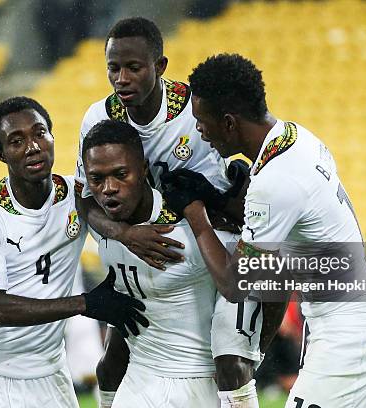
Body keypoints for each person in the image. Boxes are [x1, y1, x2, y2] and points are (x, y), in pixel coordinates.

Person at [161, 54, 366, 408]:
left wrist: (195, 213)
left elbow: (235, 285)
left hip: (352, 333)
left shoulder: (275, 181)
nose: (199, 131)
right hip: (341, 322)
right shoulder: (297, 138)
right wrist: (215, 198)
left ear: (228, 123)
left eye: (202, 121)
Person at [74, 18, 266, 407]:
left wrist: (214, 212)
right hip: (137, 244)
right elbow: (84, 199)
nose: (121, 78)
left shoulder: (196, 111)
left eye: (134, 67)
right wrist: (123, 234)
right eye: (113, 68)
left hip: (202, 242)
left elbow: (235, 191)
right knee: (113, 359)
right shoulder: (98, 119)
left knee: (227, 359)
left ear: (160, 66)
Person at [0, 96, 148, 408]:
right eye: (16, 141)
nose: (32, 146)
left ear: (53, 137)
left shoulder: (77, 196)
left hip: (50, 375)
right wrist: (86, 304)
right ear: (1, 154)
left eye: (39, 133)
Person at [83, 119, 245, 407]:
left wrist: (244, 364)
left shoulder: (196, 227)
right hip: (137, 384)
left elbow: (267, 274)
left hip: (200, 388)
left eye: (121, 174)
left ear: (144, 168)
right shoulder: (100, 228)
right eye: (97, 179)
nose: (109, 188)